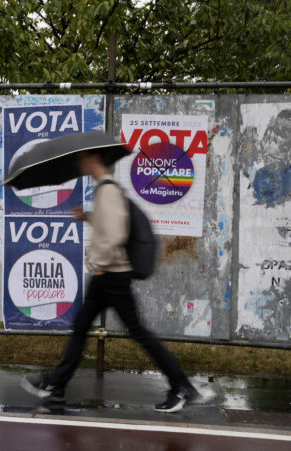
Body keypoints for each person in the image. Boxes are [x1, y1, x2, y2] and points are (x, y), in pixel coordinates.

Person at [21, 149, 200, 413]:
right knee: (82, 327)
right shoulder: (105, 190)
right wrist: (88, 217)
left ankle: (181, 386)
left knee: (135, 332)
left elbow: (116, 232)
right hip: (108, 275)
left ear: (95, 158)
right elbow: (111, 223)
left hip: (112, 275)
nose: (78, 161)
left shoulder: (108, 190)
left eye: (81, 157)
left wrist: (101, 263)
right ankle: (55, 388)